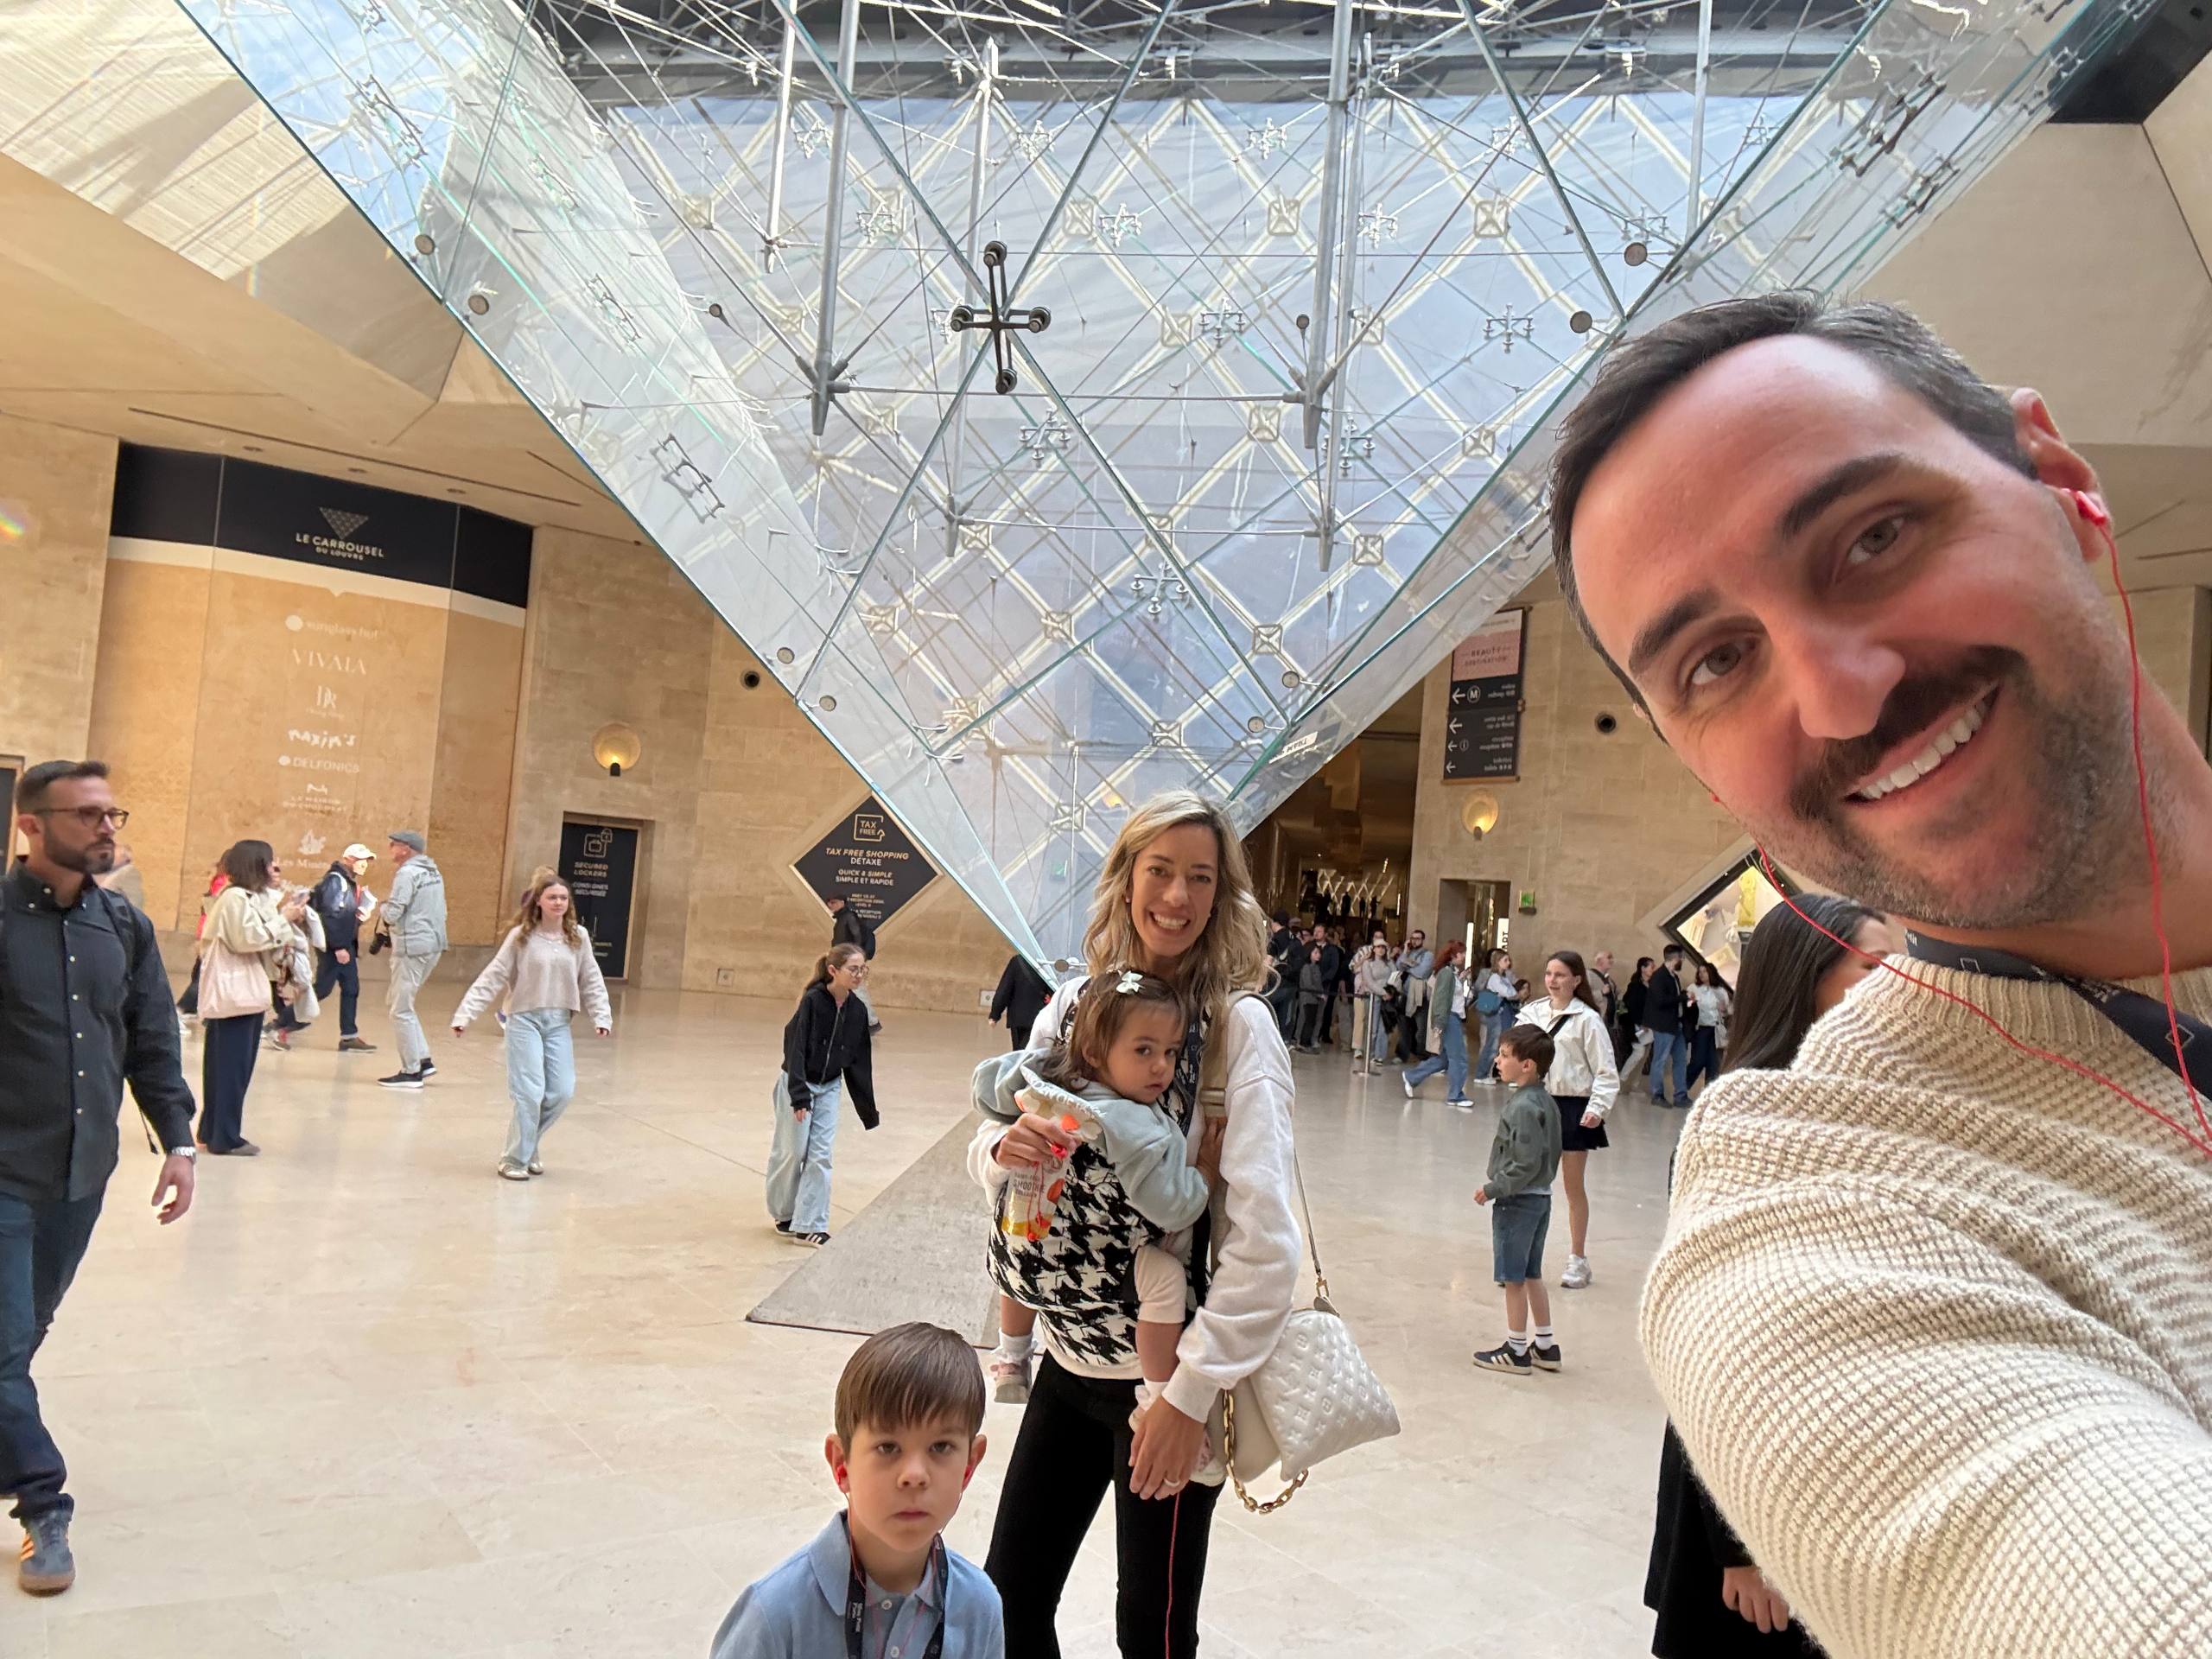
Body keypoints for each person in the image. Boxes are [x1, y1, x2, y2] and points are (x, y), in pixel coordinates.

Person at [1551, 290, 2212, 1655]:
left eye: (1873, 538)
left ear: (2056, 480)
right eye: (1717, 661)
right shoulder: (1810, 1217)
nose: (1843, 693)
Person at [967, 791, 1300, 1657]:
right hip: (1070, 1362)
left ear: (1223, 895)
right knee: (1010, 1602)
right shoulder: (1077, 1004)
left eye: (1200, 877)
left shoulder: (1238, 1029)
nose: (1178, 898)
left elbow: (1265, 1242)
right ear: (1123, 881)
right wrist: (1005, 1150)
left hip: (1166, 1381)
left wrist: (1189, 1398)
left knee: (1149, 1632)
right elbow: (990, 1151)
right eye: (1160, 871)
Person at [1645, 894, 1891, 1659]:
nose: (1901, 986)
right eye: (1874, 967)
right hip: (1747, 1486)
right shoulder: (1743, 1121)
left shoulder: (1866, 1108)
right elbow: (1713, 1335)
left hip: (1846, 1472)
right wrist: (1742, 1544)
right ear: (1805, 978)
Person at [0, 761, 198, 1594]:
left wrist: (179, 1143)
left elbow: (151, 1035)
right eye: (85, 815)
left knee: (26, 1331)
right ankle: (45, 1504)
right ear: (31, 827)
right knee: (1, 1345)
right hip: (3, 1169)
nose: (107, 827)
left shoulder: (124, 924)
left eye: (112, 811)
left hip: (82, 1171)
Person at [973, 972, 1220, 1468]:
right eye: (1144, 1051)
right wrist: (1205, 1176)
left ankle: (1010, 1355)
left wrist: (1007, 1119)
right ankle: (1157, 1395)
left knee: (1018, 1249)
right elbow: (1173, 1205)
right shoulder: (1135, 1126)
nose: (1162, 1068)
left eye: (1171, 1052)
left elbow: (986, 1086)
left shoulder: (1045, 1074)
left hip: (1018, 1255)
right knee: (1166, 1280)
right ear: (1095, 1049)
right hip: (1094, 1275)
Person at [708, 1321, 1002, 1659]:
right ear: (841, 1465)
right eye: (888, 1447)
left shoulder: (979, 1608)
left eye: (941, 1447)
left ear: (969, 1467)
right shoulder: (774, 1615)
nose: (915, 1475)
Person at [451, 873, 613, 1181]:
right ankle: (514, 1158)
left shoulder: (578, 937)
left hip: (558, 1022)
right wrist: (465, 1014)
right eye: (552, 897)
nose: (558, 903)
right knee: (529, 1091)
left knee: (562, 1091)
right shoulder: (521, 936)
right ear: (538, 900)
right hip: (524, 1019)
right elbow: (493, 976)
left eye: (563, 898)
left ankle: (528, 1144)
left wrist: (601, 1015)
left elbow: (591, 978)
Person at [1515, 950, 1619, 1291]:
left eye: (1560, 975)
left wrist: (1597, 1108)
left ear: (1576, 980)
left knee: (1573, 1187)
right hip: (1535, 1104)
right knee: (1527, 1183)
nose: (1552, 981)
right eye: (1548, 974)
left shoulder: (1587, 1020)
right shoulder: (1532, 1013)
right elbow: (1514, 1050)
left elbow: (1605, 1071)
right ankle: (1523, 1258)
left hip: (1573, 1106)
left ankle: (1578, 1259)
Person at [194, 840, 305, 1157]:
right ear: (256, 865)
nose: (275, 869)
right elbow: (249, 939)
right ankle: (225, 1136)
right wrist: (283, 919)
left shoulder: (239, 897)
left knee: (223, 1066)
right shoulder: (234, 899)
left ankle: (212, 1129)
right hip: (237, 995)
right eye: (271, 864)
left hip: (236, 996)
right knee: (232, 1067)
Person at [767, 942, 878, 1248]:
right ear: (833, 970)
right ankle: (784, 1214)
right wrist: (799, 1095)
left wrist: (868, 1110)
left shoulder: (857, 1010)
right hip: (798, 1082)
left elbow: (859, 1061)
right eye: (853, 969)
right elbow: (796, 1047)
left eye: (863, 969)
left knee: (821, 1155)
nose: (859, 975)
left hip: (829, 1086)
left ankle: (810, 1225)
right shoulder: (813, 1001)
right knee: (792, 1152)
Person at [1471, 1026, 1564, 1377]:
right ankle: (1545, 1344)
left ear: (1527, 1065)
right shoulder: (1545, 1102)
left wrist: (1493, 1188)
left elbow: (1524, 1162)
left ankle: (1516, 1348)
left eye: (1505, 1056)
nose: (1498, 1060)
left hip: (1518, 1202)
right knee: (1531, 1273)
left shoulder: (1524, 1107)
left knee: (1513, 1279)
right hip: (1540, 1198)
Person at [375, 830, 446, 1090]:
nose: (391, 849)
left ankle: (411, 1071)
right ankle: (423, 1060)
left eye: (393, 845)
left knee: (400, 1009)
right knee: (402, 1003)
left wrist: (381, 906)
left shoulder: (407, 873)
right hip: (433, 945)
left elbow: (393, 913)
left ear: (405, 848)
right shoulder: (433, 872)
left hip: (412, 947)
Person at [303, 843, 376, 1053]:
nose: (364, 864)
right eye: (361, 860)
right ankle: (281, 1023)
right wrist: (338, 947)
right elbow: (331, 916)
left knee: (351, 988)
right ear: (349, 860)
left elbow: (343, 917)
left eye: (366, 861)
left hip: (345, 946)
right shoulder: (336, 881)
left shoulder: (348, 883)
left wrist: (359, 918)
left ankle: (349, 1036)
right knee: (322, 989)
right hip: (337, 947)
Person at [1403, 941, 1471, 1107]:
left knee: (1444, 1060)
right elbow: (1441, 999)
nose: (1463, 956)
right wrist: (1439, 1024)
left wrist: (1461, 979)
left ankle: (1412, 1077)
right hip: (1450, 1018)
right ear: (1453, 955)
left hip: (1452, 1017)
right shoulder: (1447, 974)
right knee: (1459, 1058)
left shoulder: (1451, 973)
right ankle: (1455, 1095)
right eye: (1461, 953)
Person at [174, 861, 227, 1022]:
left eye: (210, 871)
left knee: (200, 976)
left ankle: (187, 1009)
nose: (207, 874)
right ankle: (182, 1009)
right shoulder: (221, 884)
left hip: (208, 935)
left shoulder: (220, 883)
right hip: (209, 936)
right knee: (201, 977)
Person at [826, 893, 882, 1035]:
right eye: (830, 903)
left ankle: (871, 1022)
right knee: (849, 989)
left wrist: (854, 958)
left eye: (835, 902)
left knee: (857, 990)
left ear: (843, 903)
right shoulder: (842, 918)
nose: (832, 905)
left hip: (850, 960)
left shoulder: (849, 917)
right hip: (845, 959)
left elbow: (856, 937)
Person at [1643, 944, 1691, 1107]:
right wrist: (1682, 998)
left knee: (1680, 1060)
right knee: (1660, 1060)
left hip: (1675, 1024)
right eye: (1681, 958)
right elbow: (1660, 1000)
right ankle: (1657, 1094)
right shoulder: (1659, 977)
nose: (1682, 961)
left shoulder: (1674, 977)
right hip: (1664, 1025)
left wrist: (1683, 996)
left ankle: (1681, 1095)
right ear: (1675, 958)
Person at [1471, 948, 1520, 1083]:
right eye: (1505, 960)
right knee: (1492, 1044)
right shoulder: (1494, 977)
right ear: (1498, 962)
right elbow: (1509, 993)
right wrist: (1514, 995)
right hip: (1495, 1013)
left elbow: (1512, 992)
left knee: (1496, 1043)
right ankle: (1482, 1074)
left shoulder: (1503, 977)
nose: (1508, 963)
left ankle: (1486, 1073)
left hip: (1503, 1013)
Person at [988, 952, 1053, 1052]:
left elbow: (1005, 989)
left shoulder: (1018, 961)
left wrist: (995, 1014)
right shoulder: (1048, 962)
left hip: (1018, 1016)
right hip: (1042, 1016)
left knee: (1019, 1050)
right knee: (1037, 1051)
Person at [1684, 963, 1732, 1094]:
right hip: (1701, 1028)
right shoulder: (1694, 988)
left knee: (1713, 1064)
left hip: (1716, 1030)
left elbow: (1728, 1011)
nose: (1702, 974)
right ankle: (1683, 1088)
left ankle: (1709, 1093)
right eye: (1700, 972)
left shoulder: (1720, 991)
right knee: (1698, 1060)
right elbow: (1686, 1004)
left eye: (1705, 971)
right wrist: (1691, 1002)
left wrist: (1724, 1010)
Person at [1395, 928, 1435, 1062]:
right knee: (1404, 1026)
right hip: (1406, 994)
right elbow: (1399, 966)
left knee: (1421, 1028)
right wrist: (1405, 951)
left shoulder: (1428, 955)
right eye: (1413, 938)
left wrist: (1408, 967)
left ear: (1422, 940)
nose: (1415, 941)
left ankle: (1421, 1053)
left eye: (1418, 938)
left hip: (1420, 996)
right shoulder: (1409, 953)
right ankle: (1402, 1054)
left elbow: (1422, 972)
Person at [1621, 956, 1656, 1076]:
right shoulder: (1635, 986)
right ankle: (1622, 1079)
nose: (1653, 969)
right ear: (1643, 968)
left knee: (1644, 1053)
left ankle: (1633, 1083)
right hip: (1636, 1024)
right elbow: (1632, 1007)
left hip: (1649, 1025)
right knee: (1639, 1051)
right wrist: (1641, 1022)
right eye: (1651, 967)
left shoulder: (1651, 986)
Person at [1292, 941, 1328, 1052]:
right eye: (1315, 952)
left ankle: (1308, 1041)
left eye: (1319, 953)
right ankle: (1300, 1041)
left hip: (1316, 1000)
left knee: (1312, 1020)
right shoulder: (1306, 967)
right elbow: (1308, 984)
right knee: (1305, 1019)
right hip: (1307, 998)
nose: (1318, 955)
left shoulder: (1316, 967)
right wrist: (1319, 994)